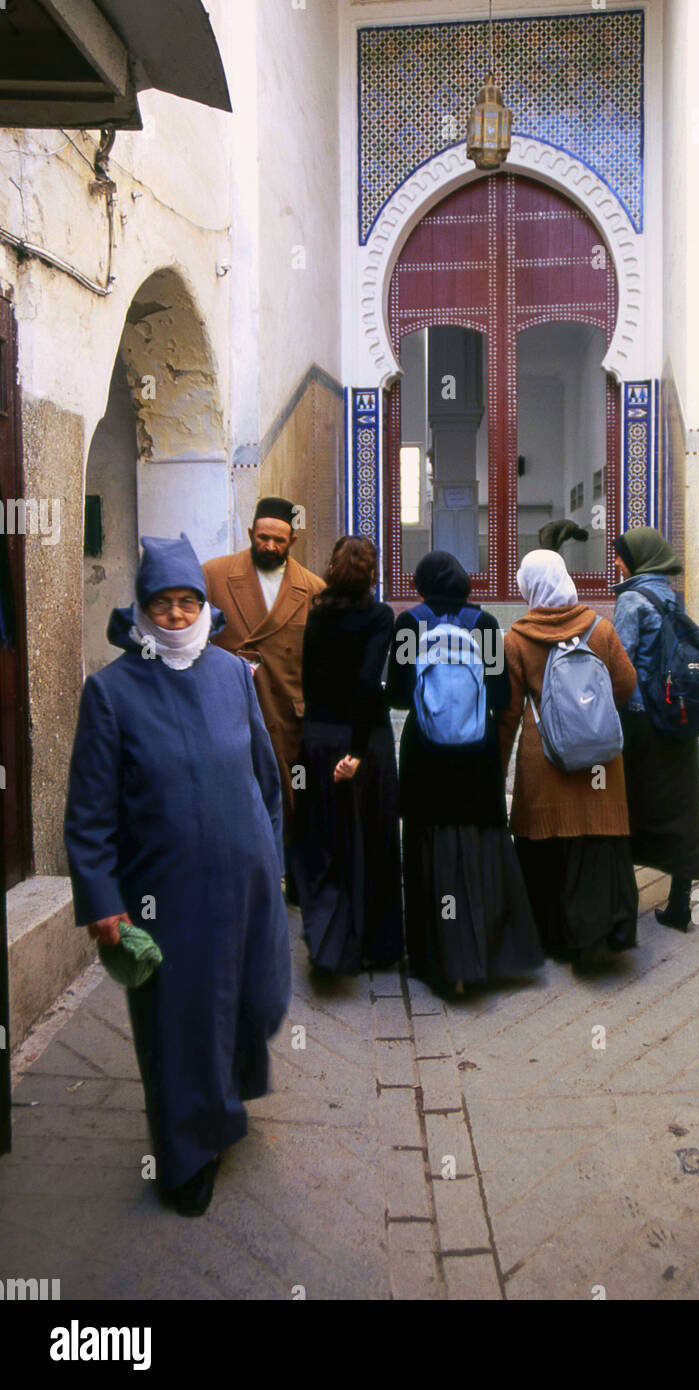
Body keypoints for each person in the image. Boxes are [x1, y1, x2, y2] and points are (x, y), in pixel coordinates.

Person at [64, 534, 290, 1217]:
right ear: (140, 611)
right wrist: (102, 901)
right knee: (179, 1025)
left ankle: (225, 1105)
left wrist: (271, 861)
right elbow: (89, 813)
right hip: (164, 897)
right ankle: (186, 1160)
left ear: (204, 608)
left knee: (252, 1001)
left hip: (245, 886)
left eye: (187, 601)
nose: (174, 615)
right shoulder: (110, 693)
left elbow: (265, 776)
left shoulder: (230, 674)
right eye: (160, 603)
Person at [386, 550, 543, 996]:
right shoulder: (487, 624)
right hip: (476, 754)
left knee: (428, 843)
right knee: (478, 843)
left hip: (426, 755)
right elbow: (498, 692)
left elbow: (398, 697)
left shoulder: (409, 624)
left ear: (421, 583)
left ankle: (438, 957)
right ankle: (481, 953)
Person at [498, 550, 639, 964]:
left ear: (531, 586)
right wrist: (589, 714)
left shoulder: (516, 639)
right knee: (597, 839)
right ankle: (604, 933)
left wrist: (497, 766)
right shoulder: (601, 629)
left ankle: (550, 936)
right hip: (598, 761)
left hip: (545, 758)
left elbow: (507, 714)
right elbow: (628, 684)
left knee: (546, 843)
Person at [289, 536, 403, 974]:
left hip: (320, 735)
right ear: (371, 573)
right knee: (371, 838)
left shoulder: (317, 616)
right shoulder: (379, 617)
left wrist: (315, 743)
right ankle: (378, 943)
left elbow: (310, 681)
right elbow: (366, 681)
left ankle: (331, 941)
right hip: (364, 741)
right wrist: (355, 751)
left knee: (328, 837)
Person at [203, 497, 325, 846]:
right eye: (262, 537)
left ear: (293, 542)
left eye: (279, 540)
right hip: (230, 708)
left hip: (287, 716)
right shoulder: (214, 575)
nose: (269, 546)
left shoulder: (314, 590)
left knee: (289, 797)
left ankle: (284, 878)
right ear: (250, 533)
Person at [611, 526, 699, 930]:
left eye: (621, 555)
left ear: (637, 559)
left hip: (643, 719)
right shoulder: (669, 593)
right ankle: (681, 901)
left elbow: (621, 661)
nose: (616, 561)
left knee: (625, 803)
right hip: (677, 714)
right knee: (681, 804)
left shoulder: (632, 599)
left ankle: (618, 899)